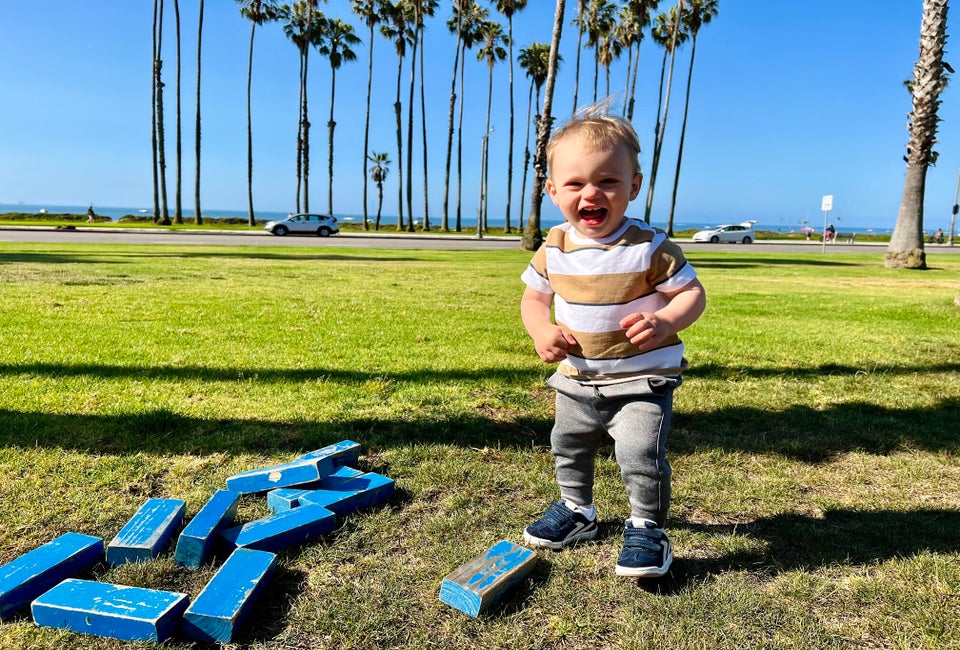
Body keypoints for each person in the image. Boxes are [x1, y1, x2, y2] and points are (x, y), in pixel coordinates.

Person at [519, 107, 706, 579]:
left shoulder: (650, 246)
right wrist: (542, 331)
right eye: (576, 183)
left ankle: (647, 527)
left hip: (642, 380)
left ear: (633, 187)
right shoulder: (554, 246)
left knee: (640, 454)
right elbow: (533, 301)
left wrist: (665, 322)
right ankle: (576, 510)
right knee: (568, 444)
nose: (591, 194)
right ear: (553, 191)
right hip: (577, 380)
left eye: (607, 181)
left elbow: (692, 294)